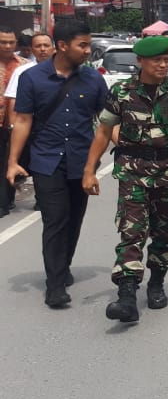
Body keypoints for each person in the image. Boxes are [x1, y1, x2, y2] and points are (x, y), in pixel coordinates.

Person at [84, 35, 168, 323]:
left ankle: (156, 282)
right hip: (133, 172)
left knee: (165, 232)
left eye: (166, 59)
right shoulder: (122, 92)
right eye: (156, 60)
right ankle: (127, 294)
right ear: (140, 61)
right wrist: (90, 170)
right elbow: (103, 131)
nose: (163, 65)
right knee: (132, 231)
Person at [7, 20, 108, 308]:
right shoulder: (32, 77)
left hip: (82, 161)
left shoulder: (94, 79)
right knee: (55, 219)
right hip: (45, 159)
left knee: (74, 219)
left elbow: (106, 121)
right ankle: (55, 285)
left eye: (89, 45)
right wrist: (13, 162)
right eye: (82, 45)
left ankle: (63, 267)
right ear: (62, 45)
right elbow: (22, 120)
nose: (88, 51)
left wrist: (128, 150)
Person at [5, 32, 54, 210]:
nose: (42, 49)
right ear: (32, 49)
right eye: (38, 46)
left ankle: (44, 198)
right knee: (30, 163)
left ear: (53, 48)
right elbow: (13, 100)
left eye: (46, 45)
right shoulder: (23, 72)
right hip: (28, 127)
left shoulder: (64, 71)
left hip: (52, 129)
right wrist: (13, 127)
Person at [0, 26, 28, 215]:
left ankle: (7, 199)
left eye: (11, 42)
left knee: (10, 161)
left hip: (17, 124)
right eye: (3, 42)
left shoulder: (25, 66)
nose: (8, 46)